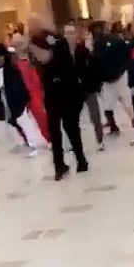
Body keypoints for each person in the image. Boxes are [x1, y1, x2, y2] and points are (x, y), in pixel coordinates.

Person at [29, 19, 88, 180]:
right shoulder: (39, 42)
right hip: (52, 91)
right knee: (55, 129)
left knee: (70, 127)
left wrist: (30, 45)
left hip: (68, 90)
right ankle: (60, 165)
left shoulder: (57, 42)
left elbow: (46, 58)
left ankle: (80, 160)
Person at [93, 20, 133, 137]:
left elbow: (96, 62)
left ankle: (116, 125)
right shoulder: (115, 41)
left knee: (110, 103)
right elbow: (127, 56)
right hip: (117, 76)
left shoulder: (99, 44)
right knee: (123, 101)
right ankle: (133, 121)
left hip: (111, 78)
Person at [71, 25, 106, 151]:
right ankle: (74, 141)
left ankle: (100, 139)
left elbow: (95, 66)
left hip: (87, 86)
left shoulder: (88, 51)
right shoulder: (74, 50)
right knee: (74, 116)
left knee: (94, 114)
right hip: (79, 87)